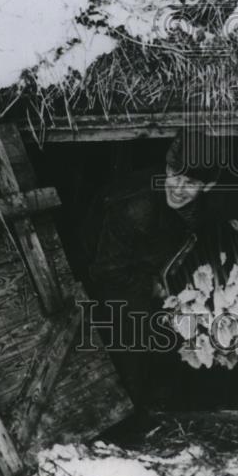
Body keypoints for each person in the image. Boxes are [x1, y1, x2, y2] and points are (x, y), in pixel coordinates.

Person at [89, 129, 225, 407]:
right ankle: (134, 411)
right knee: (132, 339)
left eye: (190, 182)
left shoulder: (207, 204)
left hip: (156, 266)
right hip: (113, 269)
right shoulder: (134, 209)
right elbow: (106, 270)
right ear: (166, 166)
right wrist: (156, 287)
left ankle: (173, 401)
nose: (177, 187)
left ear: (208, 187)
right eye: (174, 174)